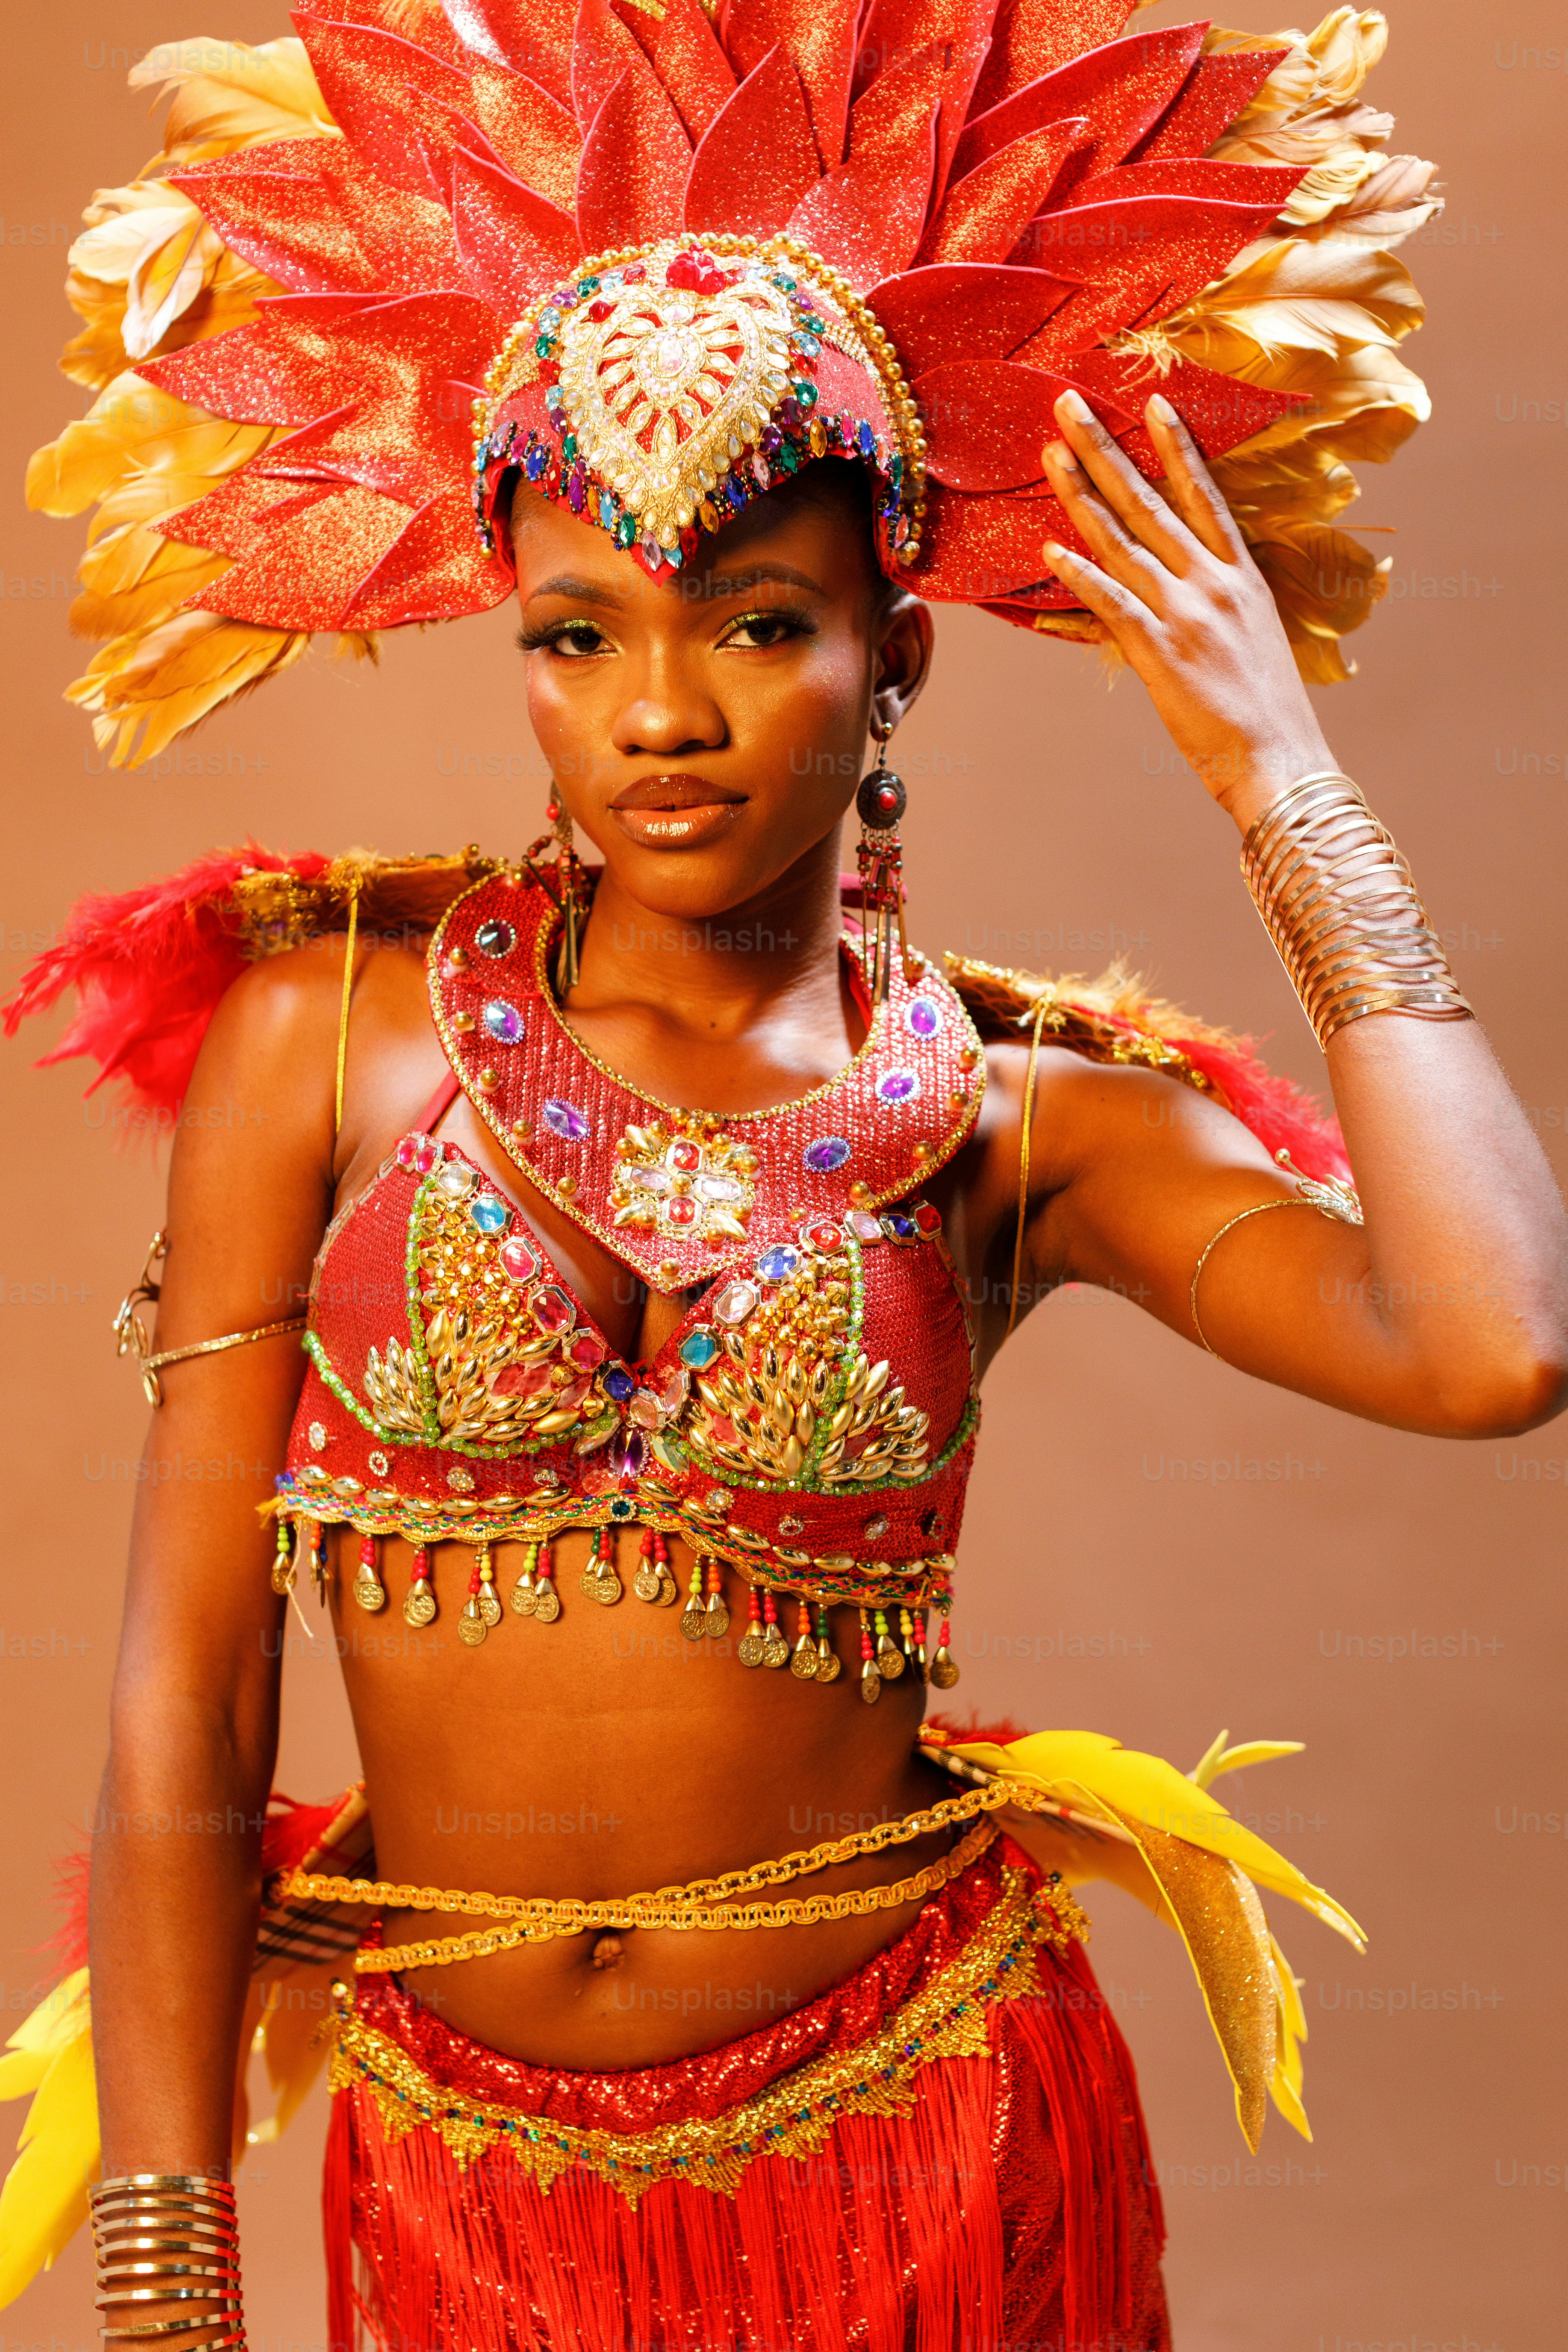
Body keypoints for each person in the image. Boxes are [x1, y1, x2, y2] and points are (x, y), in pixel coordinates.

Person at [4, 7, 1564, 2349]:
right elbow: (188, 1692)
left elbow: (1497, 1338)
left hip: (937, 2140)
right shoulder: (324, 1032)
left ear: (893, 647)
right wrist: (160, 2249)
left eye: (758, 622)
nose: (662, 713)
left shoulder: (1018, 1117)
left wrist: (1279, 777)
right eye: (577, 632)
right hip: (465, 2184)